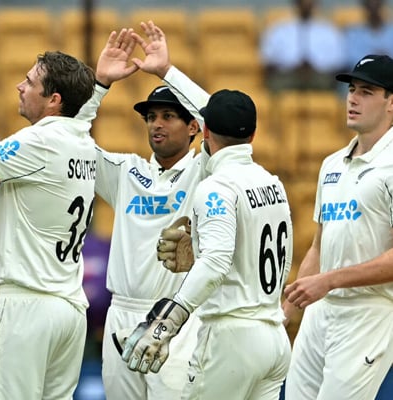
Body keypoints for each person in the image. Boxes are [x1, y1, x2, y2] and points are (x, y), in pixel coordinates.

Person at [118, 22, 293, 400]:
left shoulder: (215, 186)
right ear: (253, 135)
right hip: (274, 337)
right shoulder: (272, 182)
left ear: (205, 131)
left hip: (231, 338)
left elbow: (216, 261)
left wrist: (166, 322)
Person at [0, 45, 96, 398]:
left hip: (25, 308)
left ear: (53, 100)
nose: (19, 87)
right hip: (68, 308)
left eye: (29, 82)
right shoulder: (81, 141)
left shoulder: (39, 141)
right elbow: (7, 171)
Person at [74, 29, 204, 399]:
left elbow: (224, 122)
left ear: (194, 127)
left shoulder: (203, 172)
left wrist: (167, 72)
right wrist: (99, 85)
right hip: (121, 314)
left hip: (174, 317)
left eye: (168, 116)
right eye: (151, 117)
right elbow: (71, 142)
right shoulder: (127, 172)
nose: (156, 124)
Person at [283, 54, 393, 400]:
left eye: (367, 92)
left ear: (391, 102)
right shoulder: (331, 164)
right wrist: (287, 314)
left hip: (368, 313)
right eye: (352, 89)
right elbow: (319, 245)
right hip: (320, 313)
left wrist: (329, 281)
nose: (353, 98)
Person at [260, 0, 346, 92]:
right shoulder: (279, 29)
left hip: (318, 76)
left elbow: (339, 63)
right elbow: (267, 61)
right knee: (276, 84)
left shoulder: (329, 31)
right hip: (288, 75)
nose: (306, 4)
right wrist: (293, 67)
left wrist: (313, 68)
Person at [343, 0, 393, 69]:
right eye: (370, 6)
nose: (373, 10)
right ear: (365, 7)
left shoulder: (391, 31)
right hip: (364, 74)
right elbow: (351, 59)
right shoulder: (354, 33)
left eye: (376, 6)